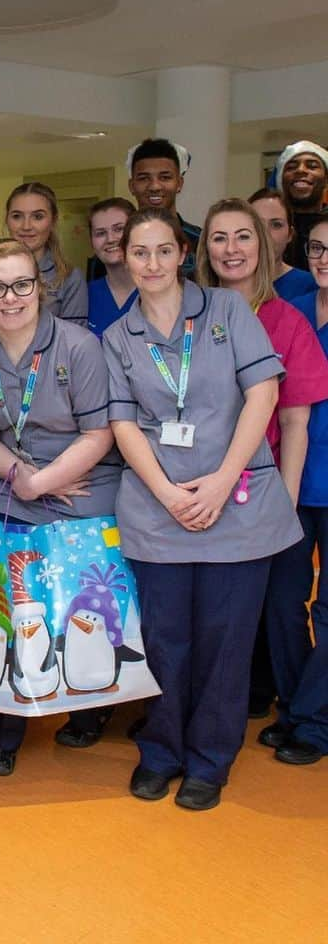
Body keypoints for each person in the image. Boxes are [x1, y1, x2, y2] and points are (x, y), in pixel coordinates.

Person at [103, 207, 301, 810]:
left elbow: (263, 394)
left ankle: (210, 763)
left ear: (182, 254)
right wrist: (166, 492)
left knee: (226, 642)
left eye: (164, 251)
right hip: (157, 511)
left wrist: (221, 481)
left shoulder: (226, 312)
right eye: (140, 253)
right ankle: (161, 753)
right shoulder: (118, 337)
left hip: (235, 506)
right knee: (164, 640)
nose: (153, 264)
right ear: (126, 259)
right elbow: (121, 422)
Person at [0, 238, 120, 774]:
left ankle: (86, 708)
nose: (10, 297)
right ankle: (9, 724)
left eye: (21, 284)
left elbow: (98, 433)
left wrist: (46, 480)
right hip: (11, 483)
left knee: (77, 606)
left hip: (81, 484)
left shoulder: (79, 346)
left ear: (40, 287)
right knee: (16, 606)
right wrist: (24, 480)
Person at [197, 198, 328, 726]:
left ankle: (291, 708)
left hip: (259, 488)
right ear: (205, 249)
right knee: (209, 608)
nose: (233, 249)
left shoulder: (286, 320)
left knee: (274, 604)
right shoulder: (189, 314)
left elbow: (295, 422)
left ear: (265, 245)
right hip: (194, 484)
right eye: (220, 238)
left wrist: (286, 501)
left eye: (244, 236)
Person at [269, 216, 328, 764]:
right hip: (296, 477)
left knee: (327, 607)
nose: (325, 257)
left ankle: (314, 723)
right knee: (284, 603)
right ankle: (293, 707)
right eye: (318, 248)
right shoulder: (295, 313)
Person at [4, 182, 88, 325]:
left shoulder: (69, 278)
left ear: (53, 221)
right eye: (17, 216)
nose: (26, 226)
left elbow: (74, 341)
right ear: (7, 220)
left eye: (37, 217)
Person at [126, 138, 200, 274]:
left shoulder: (201, 241)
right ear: (132, 186)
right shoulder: (118, 243)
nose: (155, 186)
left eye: (165, 177)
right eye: (144, 178)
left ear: (179, 184)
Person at [249, 187, 316, 302]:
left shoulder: (311, 286)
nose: (265, 233)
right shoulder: (229, 283)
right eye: (257, 224)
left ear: (290, 234)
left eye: (276, 225)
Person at [86, 197, 137, 337]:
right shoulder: (84, 295)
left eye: (119, 229)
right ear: (91, 242)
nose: (110, 239)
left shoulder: (155, 289)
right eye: (100, 233)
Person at [275, 140, 328, 270]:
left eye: (312, 166)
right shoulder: (263, 228)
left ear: (326, 180)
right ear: (280, 180)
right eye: (291, 167)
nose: (301, 170)